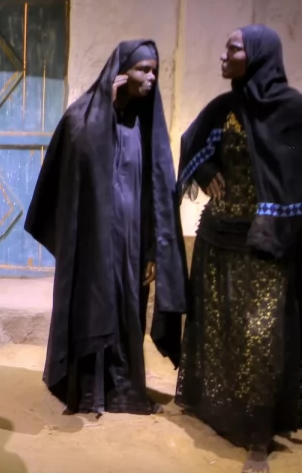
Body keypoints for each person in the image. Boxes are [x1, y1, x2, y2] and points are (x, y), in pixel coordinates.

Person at [174, 25, 302, 473]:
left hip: (266, 245)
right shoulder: (226, 109)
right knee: (217, 329)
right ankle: (217, 411)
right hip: (218, 238)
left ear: (257, 56)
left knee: (261, 339)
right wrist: (204, 172)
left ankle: (259, 435)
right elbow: (191, 142)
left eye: (234, 48)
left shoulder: (293, 112)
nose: (224, 55)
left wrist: (277, 216)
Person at [25, 40, 187, 417]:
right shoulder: (86, 115)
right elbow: (75, 154)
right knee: (95, 306)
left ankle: (124, 391)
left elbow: (158, 193)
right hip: (93, 239)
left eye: (154, 71)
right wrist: (105, 114)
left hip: (130, 242)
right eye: (143, 69)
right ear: (121, 72)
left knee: (127, 310)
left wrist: (152, 250)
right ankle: (88, 391)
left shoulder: (146, 125)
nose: (150, 77)